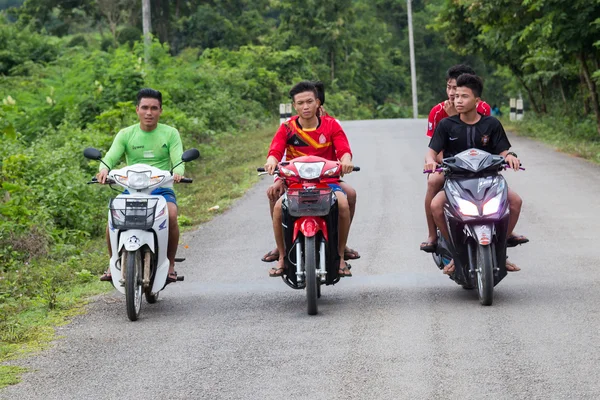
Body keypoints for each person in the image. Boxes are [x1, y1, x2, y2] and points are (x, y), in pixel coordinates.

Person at [420, 65, 528, 253]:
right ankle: (451, 249)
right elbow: (431, 151)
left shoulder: (491, 123)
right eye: (455, 94)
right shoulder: (445, 124)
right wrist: (430, 160)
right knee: (436, 205)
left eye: (463, 96)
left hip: (487, 177)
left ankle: (500, 249)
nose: (457, 99)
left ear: (477, 101)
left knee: (516, 202)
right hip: (456, 178)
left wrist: (510, 157)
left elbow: (502, 150)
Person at [261, 81, 360, 263]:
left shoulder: (332, 125)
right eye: (300, 103)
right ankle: (282, 254)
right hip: (294, 183)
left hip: (327, 182)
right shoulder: (287, 128)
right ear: (294, 106)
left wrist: (346, 160)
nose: (305, 107)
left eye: (309, 102)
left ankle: (340, 252)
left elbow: (343, 150)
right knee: (276, 205)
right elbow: (275, 151)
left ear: (318, 103)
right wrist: (271, 161)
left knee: (346, 201)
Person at [96, 88, 185, 283]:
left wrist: (178, 172)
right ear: (137, 109)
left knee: (171, 215)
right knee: (113, 216)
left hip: (161, 189)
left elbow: (178, 160)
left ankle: (169, 264)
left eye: (154, 108)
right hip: (132, 190)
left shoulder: (170, 133)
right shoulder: (126, 134)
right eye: (144, 107)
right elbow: (110, 156)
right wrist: (103, 170)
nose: (149, 112)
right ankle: (114, 262)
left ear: (160, 110)